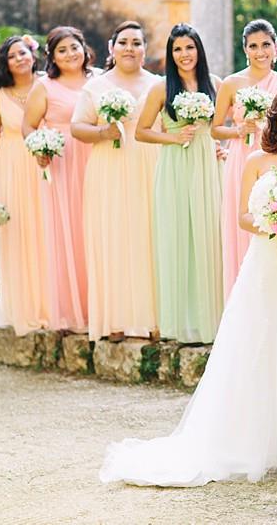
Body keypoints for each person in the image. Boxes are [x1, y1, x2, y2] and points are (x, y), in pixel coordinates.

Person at [100, 84, 277, 485]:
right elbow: (242, 216)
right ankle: (259, 443)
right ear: (276, 115)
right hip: (270, 263)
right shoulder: (257, 160)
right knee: (263, 344)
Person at [70, 21, 160, 342]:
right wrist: (103, 133)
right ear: (111, 48)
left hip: (149, 165)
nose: (130, 48)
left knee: (149, 238)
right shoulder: (96, 87)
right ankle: (116, 320)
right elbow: (77, 126)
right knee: (115, 238)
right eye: (123, 42)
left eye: (136, 43)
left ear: (145, 49)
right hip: (109, 168)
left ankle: (154, 320)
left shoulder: (158, 84)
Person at [136, 23, 224, 344]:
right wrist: (172, 137)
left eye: (189, 48)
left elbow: (220, 128)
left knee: (207, 236)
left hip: (206, 166)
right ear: (170, 55)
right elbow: (141, 131)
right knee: (177, 237)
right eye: (177, 49)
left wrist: (219, 145)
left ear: (199, 50)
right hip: (174, 165)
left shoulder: (214, 84)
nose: (184, 55)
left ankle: (210, 320)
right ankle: (181, 323)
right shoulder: (161, 88)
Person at [22, 26, 94, 333]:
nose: (70, 54)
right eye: (62, 50)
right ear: (52, 55)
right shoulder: (45, 86)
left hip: (97, 157)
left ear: (84, 48)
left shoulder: (100, 79)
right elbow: (28, 125)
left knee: (96, 231)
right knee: (68, 232)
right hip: (63, 161)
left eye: (74, 47)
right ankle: (68, 312)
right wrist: (39, 147)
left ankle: (102, 306)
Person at [211, 19, 277, 301]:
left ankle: (273, 300)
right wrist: (238, 130)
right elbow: (215, 128)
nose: (260, 51)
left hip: (274, 159)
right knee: (242, 226)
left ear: (276, 47)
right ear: (245, 50)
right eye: (253, 46)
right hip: (241, 161)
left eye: (265, 44)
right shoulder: (232, 83)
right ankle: (242, 302)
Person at [0, 34, 49, 335]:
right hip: (10, 167)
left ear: (33, 55)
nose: (19, 58)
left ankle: (52, 304)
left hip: (45, 163)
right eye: (12, 56)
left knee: (47, 231)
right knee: (19, 233)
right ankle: (23, 307)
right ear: (5, 64)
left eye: (23, 53)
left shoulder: (49, 83)